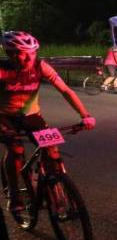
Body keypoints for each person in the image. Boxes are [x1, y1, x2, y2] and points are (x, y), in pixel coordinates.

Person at [0, 31, 96, 213]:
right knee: (15, 149)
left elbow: (66, 91)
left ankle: (53, 183)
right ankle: (14, 194)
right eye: (23, 52)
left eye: (32, 52)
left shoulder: (40, 66)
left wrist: (85, 115)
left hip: (31, 116)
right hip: (4, 117)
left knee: (51, 147)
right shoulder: (3, 70)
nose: (29, 57)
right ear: (10, 53)